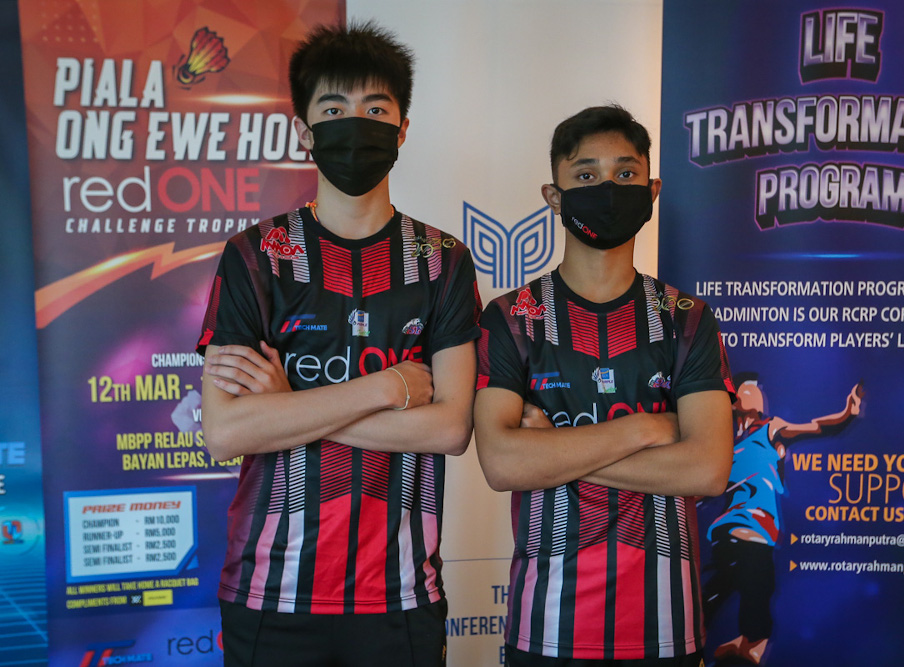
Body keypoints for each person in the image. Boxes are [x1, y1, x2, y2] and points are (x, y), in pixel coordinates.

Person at [195, 21, 481, 666]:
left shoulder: (444, 261)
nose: (355, 125)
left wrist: (286, 407)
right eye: (334, 109)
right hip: (270, 591)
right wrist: (386, 386)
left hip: (401, 594)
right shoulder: (254, 256)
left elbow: (450, 428)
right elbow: (226, 432)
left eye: (375, 110)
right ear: (304, 131)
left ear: (402, 130)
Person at [474, 104, 735, 667]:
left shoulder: (688, 319)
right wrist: (647, 429)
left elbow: (707, 470)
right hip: (545, 628)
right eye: (586, 175)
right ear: (554, 195)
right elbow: (501, 464)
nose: (608, 189)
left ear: (652, 190)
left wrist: (551, 452)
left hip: (666, 631)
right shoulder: (510, 318)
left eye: (625, 173)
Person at [702, 374, 864, 666]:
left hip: (753, 537)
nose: (758, 395)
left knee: (749, 621)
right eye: (749, 390)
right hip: (732, 537)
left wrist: (846, 413)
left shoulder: (771, 428)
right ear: (734, 401)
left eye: (758, 390)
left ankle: (740, 647)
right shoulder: (724, 443)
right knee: (731, 617)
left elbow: (816, 427)